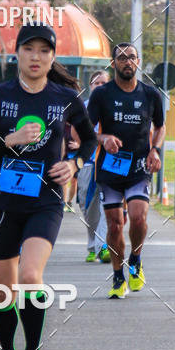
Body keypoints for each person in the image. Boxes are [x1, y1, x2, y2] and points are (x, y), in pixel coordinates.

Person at [0, 23, 96, 350]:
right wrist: (9, 139)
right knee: (3, 290)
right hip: (2, 204)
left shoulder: (65, 98)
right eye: (30, 49)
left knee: (30, 277)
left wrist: (73, 164)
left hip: (45, 202)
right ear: (18, 53)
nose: (36, 57)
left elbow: (89, 140)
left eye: (45, 51)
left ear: (53, 57)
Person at [87, 42, 165, 298]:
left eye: (131, 57)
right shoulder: (101, 95)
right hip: (110, 167)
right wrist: (104, 138)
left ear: (138, 62)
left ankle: (136, 259)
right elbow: (88, 129)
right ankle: (118, 275)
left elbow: (160, 126)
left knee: (139, 217)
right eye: (121, 58)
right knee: (114, 225)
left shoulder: (150, 95)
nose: (127, 62)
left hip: (139, 166)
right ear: (113, 63)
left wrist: (155, 150)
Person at [74, 69, 111, 262]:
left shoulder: (115, 105)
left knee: (109, 203)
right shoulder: (84, 107)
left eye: (104, 83)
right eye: (97, 83)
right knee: (87, 206)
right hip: (88, 162)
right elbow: (75, 132)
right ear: (91, 86)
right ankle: (92, 244)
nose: (100, 86)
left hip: (110, 163)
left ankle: (103, 246)